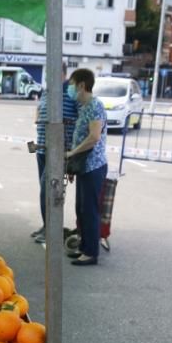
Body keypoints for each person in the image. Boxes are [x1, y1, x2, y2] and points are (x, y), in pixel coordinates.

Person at [64, 68, 108, 266]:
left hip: (93, 167)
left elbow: (94, 137)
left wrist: (73, 153)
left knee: (89, 210)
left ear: (82, 85)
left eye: (72, 84)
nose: (70, 89)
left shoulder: (95, 105)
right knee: (81, 209)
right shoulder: (84, 107)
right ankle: (84, 247)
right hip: (84, 167)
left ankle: (91, 253)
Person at [30, 66, 78, 245]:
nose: (49, 76)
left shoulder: (70, 92)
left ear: (63, 74)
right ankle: (47, 225)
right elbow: (39, 109)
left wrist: (72, 153)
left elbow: (78, 119)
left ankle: (52, 229)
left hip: (58, 150)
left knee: (48, 191)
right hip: (42, 148)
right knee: (45, 190)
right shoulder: (46, 91)